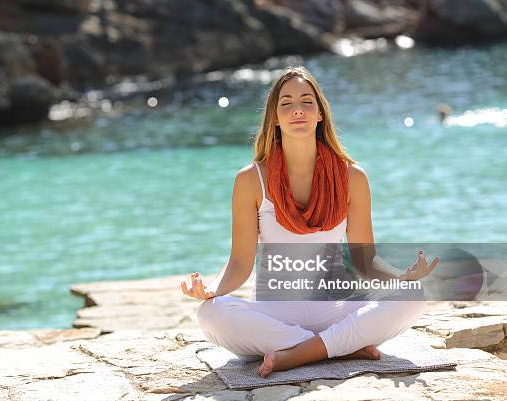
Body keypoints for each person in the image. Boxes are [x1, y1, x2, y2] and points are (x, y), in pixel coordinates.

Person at [180, 66, 439, 378]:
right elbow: (239, 261)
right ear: (274, 118)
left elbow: (365, 259)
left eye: (307, 102)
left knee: (415, 294)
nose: (297, 110)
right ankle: (339, 348)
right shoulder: (251, 179)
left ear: (320, 114)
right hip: (274, 314)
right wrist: (211, 289)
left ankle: (302, 352)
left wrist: (402, 277)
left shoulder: (352, 177)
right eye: (286, 104)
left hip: (335, 309)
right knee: (211, 313)